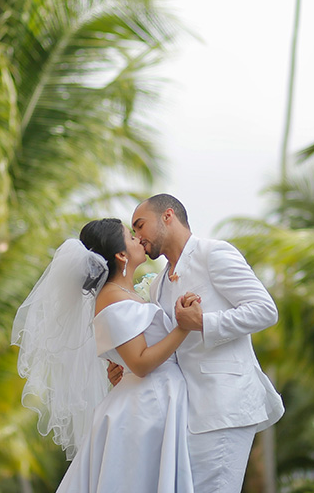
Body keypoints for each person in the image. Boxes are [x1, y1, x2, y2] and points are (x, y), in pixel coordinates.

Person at [12, 218, 201, 493]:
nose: (139, 239)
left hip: (150, 402)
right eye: (130, 236)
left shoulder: (124, 293)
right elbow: (140, 362)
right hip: (143, 409)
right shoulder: (112, 296)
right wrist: (184, 326)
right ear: (121, 255)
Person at [113, 194, 285, 493]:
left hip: (224, 405)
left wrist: (205, 323)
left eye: (140, 226)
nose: (138, 237)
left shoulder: (213, 253)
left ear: (168, 216)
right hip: (184, 412)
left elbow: (265, 310)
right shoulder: (157, 284)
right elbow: (168, 346)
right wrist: (126, 367)